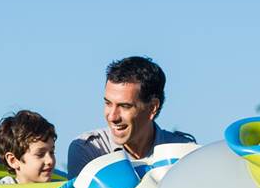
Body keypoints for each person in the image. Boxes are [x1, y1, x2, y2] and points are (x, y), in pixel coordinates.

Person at [66, 56, 195, 178]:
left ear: (152, 107)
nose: (112, 117)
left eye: (124, 106)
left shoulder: (184, 153)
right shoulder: (89, 150)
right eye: (108, 103)